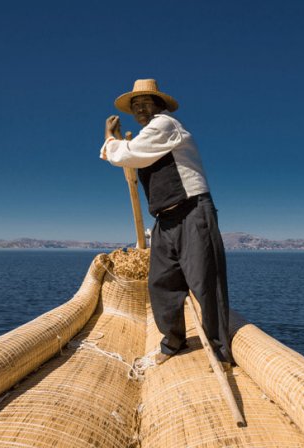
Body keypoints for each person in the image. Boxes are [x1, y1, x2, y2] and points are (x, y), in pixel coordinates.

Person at [100, 79, 233, 367]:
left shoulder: (165, 125)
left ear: (159, 105)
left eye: (146, 103)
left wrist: (111, 139)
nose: (141, 109)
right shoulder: (147, 137)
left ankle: (220, 351)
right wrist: (122, 145)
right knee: (161, 283)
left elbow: (128, 154)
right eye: (136, 106)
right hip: (164, 219)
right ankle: (173, 342)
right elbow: (132, 156)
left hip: (193, 211)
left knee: (204, 282)